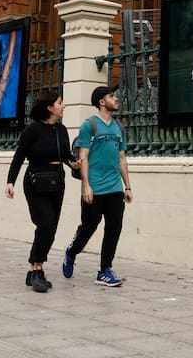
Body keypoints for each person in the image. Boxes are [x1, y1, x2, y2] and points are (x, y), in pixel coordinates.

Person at [5, 90, 78, 293]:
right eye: (60, 102)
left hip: (57, 181)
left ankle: (33, 271)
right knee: (44, 223)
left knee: (51, 227)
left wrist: (75, 165)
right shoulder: (32, 130)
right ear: (49, 107)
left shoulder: (61, 130)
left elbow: (66, 156)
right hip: (36, 181)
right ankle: (37, 269)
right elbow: (19, 156)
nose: (64, 106)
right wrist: (10, 181)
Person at [62, 85, 132, 287]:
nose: (116, 99)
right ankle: (71, 251)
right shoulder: (89, 126)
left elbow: (122, 158)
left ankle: (105, 270)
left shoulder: (119, 127)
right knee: (89, 226)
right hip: (94, 187)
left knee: (114, 228)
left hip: (114, 188)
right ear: (102, 102)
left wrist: (127, 186)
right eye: (112, 96)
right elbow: (83, 157)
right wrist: (86, 186)